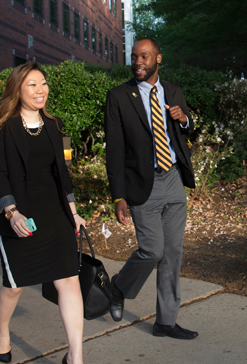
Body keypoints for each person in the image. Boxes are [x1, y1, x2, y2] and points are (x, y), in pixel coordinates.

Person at [0, 62, 92, 364]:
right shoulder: (0, 125)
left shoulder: (55, 126)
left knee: (69, 282)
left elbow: (63, 174)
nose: (41, 89)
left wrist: (73, 213)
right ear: (18, 89)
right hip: (19, 213)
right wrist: (11, 213)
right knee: (14, 285)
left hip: (55, 213)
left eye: (43, 83)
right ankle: (2, 330)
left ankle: (76, 359)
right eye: (32, 84)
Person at [104, 37, 199, 340]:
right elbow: (115, 151)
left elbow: (189, 129)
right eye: (134, 57)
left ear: (158, 59)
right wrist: (118, 195)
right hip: (141, 184)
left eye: (144, 57)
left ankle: (166, 322)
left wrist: (184, 119)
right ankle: (118, 287)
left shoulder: (172, 91)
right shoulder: (119, 96)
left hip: (172, 179)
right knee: (152, 250)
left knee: (172, 253)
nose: (137, 62)